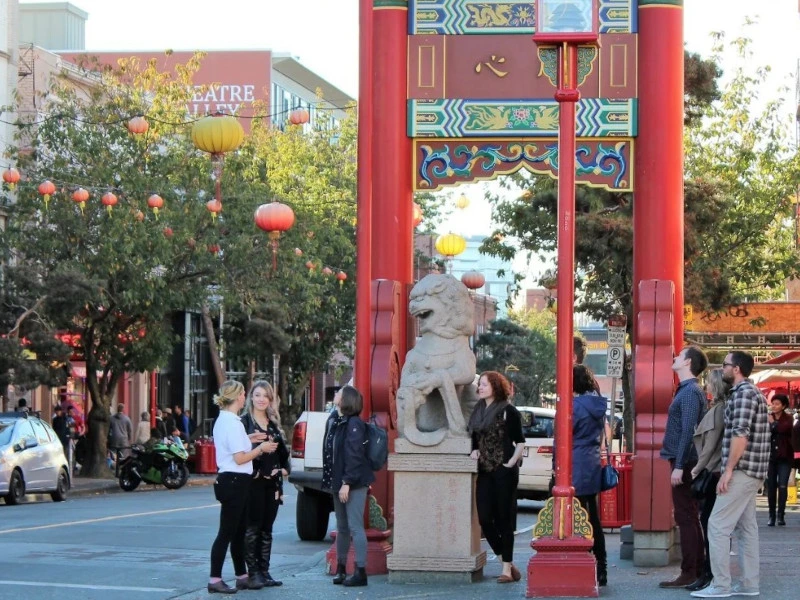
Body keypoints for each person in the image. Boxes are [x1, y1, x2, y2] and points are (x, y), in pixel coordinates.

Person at [691, 351, 769, 599]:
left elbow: (740, 434)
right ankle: (748, 584)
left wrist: (728, 470)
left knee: (717, 525)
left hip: (743, 469)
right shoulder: (749, 392)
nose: (721, 368)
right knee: (746, 528)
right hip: (751, 470)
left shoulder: (743, 394)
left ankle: (721, 585)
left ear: (736, 369)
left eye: (724, 364)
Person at [207, 380, 274, 595]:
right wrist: (261, 448)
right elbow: (240, 458)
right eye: (244, 393)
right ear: (237, 397)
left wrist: (249, 438)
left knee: (238, 532)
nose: (245, 396)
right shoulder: (232, 422)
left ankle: (241, 576)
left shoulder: (226, 421)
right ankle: (215, 578)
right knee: (226, 532)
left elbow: (233, 445)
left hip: (235, 481)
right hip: (234, 480)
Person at [468, 371, 525, 584]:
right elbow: (474, 438)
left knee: (504, 520)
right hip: (484, 471)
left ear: (495, 386)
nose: (480, 387)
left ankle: (506, 571)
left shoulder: (508, 411)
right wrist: (474, 450)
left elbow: (520, 441)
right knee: (484, 519)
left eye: (484, 384)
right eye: (479, 384)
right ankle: (507, 562)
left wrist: (511, 462)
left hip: (504, 471)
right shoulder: (478, 411)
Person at [659, 345, 708, 589]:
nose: (675, 357)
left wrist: (678, 466)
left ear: (688, 363)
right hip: (686, 459)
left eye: (679, 355)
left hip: (685, 461)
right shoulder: (689, 390)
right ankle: (694, 569)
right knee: (688, 515)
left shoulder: (689, 392)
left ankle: (690, 571)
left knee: (686, 516)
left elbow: (689, 430)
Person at [322, 385, 375, 587]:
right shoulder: (335, 420)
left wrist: (346, 483)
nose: (335, 394)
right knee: (342, 527)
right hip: (338, 482)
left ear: (346, 400)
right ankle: (341, 569)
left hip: (353, 483)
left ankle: (360, 571)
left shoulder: (354, 424)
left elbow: (354, 456)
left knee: (355, 527)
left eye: (339, 393)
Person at [240, 381, 290, 588]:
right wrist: (258, 446)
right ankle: (253, 573)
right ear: (251, 397)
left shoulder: (273, 425)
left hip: (273, 485)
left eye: (265, 396)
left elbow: (285, 458)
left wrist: (284, 470)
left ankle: (264, 571)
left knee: (267, 529)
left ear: (270, 400)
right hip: (252, 483)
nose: (261, 399)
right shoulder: (243, 424)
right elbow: (237, 454)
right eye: (257, 395)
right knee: (253, 527)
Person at [687, 368, 731, 592]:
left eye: (709, 384)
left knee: (710, 524)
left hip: (712, 472)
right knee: (712, 524)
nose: (706, 387)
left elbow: (709, 446)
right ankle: (710, 572)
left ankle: (711, 573)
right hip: (715, 471)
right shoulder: (720, 409)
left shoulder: (719, 410)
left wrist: (696, 470)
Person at [571, 364, 608, 586]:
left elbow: (565, 433)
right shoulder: (597, 404)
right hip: (591, 461)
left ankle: (580, 564)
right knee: (593, 517)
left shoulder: (574, 407)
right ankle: (601, 566)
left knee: (574, 518)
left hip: (574, 462)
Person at [765, 393, 793, 527]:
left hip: (785, 456)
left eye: (777, 404)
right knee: (771, 486)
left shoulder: (788, 418)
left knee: (782, 485)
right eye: (773, 403)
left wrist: (773, 424)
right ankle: (771, 515)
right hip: (771, 456)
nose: (774, 406)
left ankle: (781, 515)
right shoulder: (768, 417)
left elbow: (783, 429)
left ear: (783, 406)